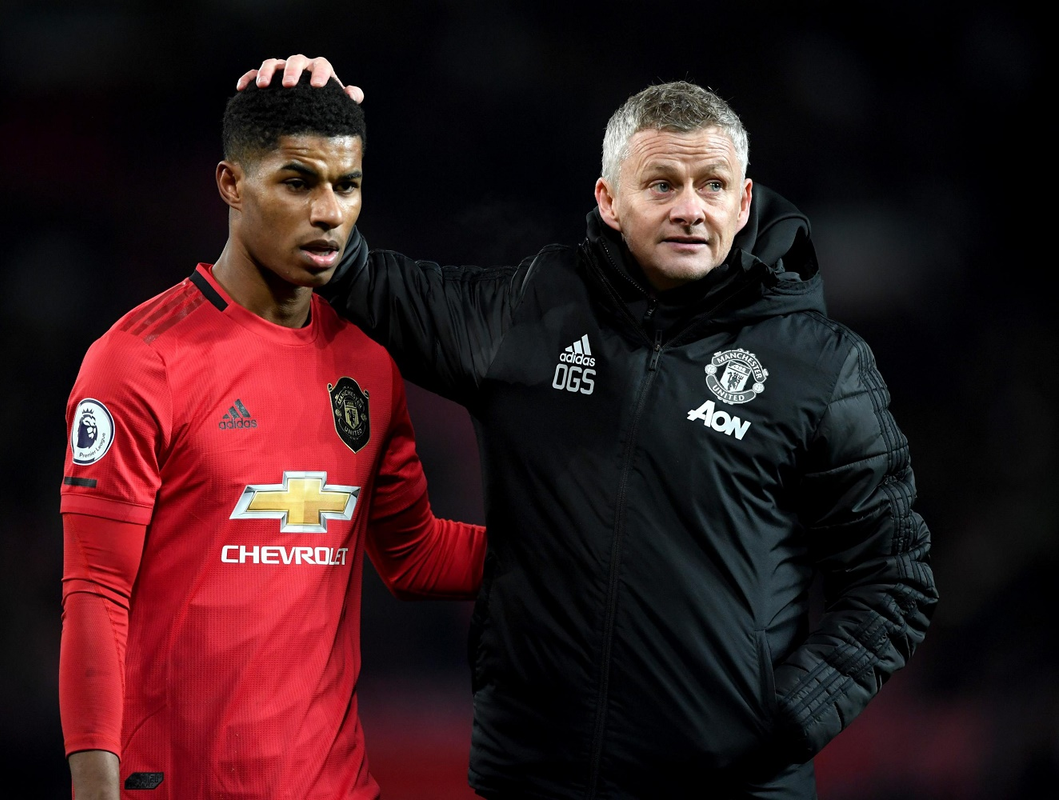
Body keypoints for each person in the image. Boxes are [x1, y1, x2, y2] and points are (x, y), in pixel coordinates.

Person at [239, 57, 939, 799]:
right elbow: (358, 277)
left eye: (712, 186)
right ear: (608, 200)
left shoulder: (821, 367)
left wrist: (784, 723)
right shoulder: (532, 312)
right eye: (661, 184)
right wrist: (303, 134)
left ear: (743, 202)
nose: (690, 208)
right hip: (536, 780)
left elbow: (894, 579)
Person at [58, 72, 485, 800]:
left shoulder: (370, 360)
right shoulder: (138, 360)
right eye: (297, 182)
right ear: (231, 184)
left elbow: (414, 556)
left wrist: (581, 550)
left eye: (346, 186)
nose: (328, 212)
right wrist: (95, 790)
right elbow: (96, 593)